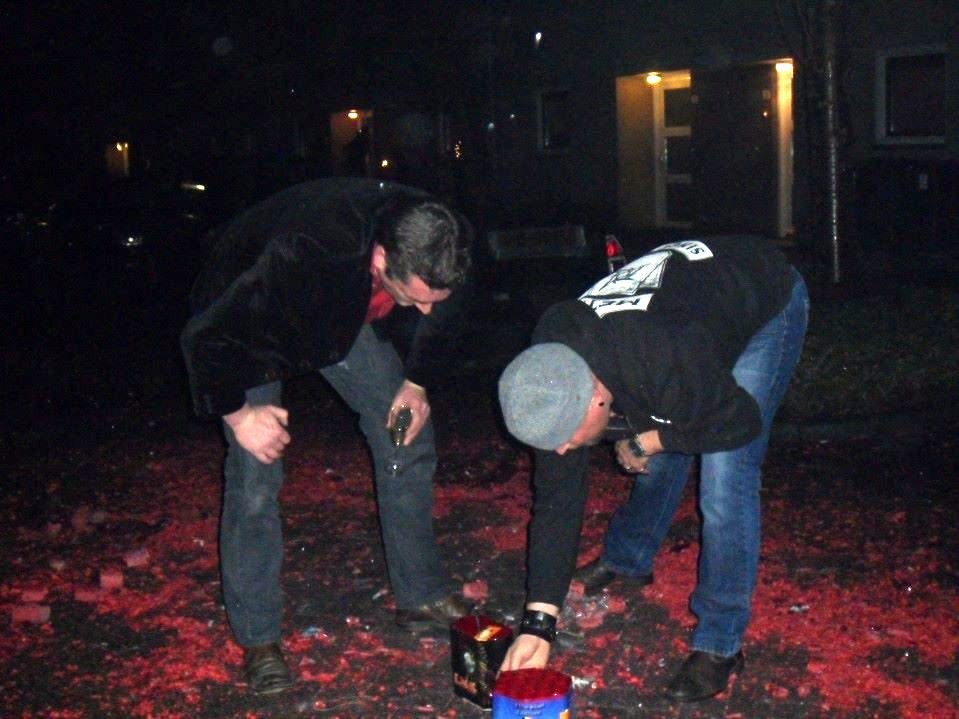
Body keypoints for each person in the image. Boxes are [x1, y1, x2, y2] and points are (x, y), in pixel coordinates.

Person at [180, 178, 474, 695]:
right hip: (249, 326)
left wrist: (416, 384)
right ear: (382, 259)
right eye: (415, 298)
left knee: (403, 431)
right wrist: (241, 416)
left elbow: (444, 307)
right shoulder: (303, 254)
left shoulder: (441, 240)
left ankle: (421, 593)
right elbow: (204, 338)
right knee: (256, 469)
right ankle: (259, 637)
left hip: (338, 314)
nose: (425, 310)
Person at [497, 236, 808, 702]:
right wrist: (538, 625)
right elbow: (557, 501)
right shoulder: (550, 374)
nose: (560, 449)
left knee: (725, 476)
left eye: (567, 438)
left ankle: (720, 642)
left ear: (597, 396)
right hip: (676, 323)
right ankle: (629, 558)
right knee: (667, 420)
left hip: (764, 298)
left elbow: (739, 422)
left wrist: (651, 439)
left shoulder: (665, 359)